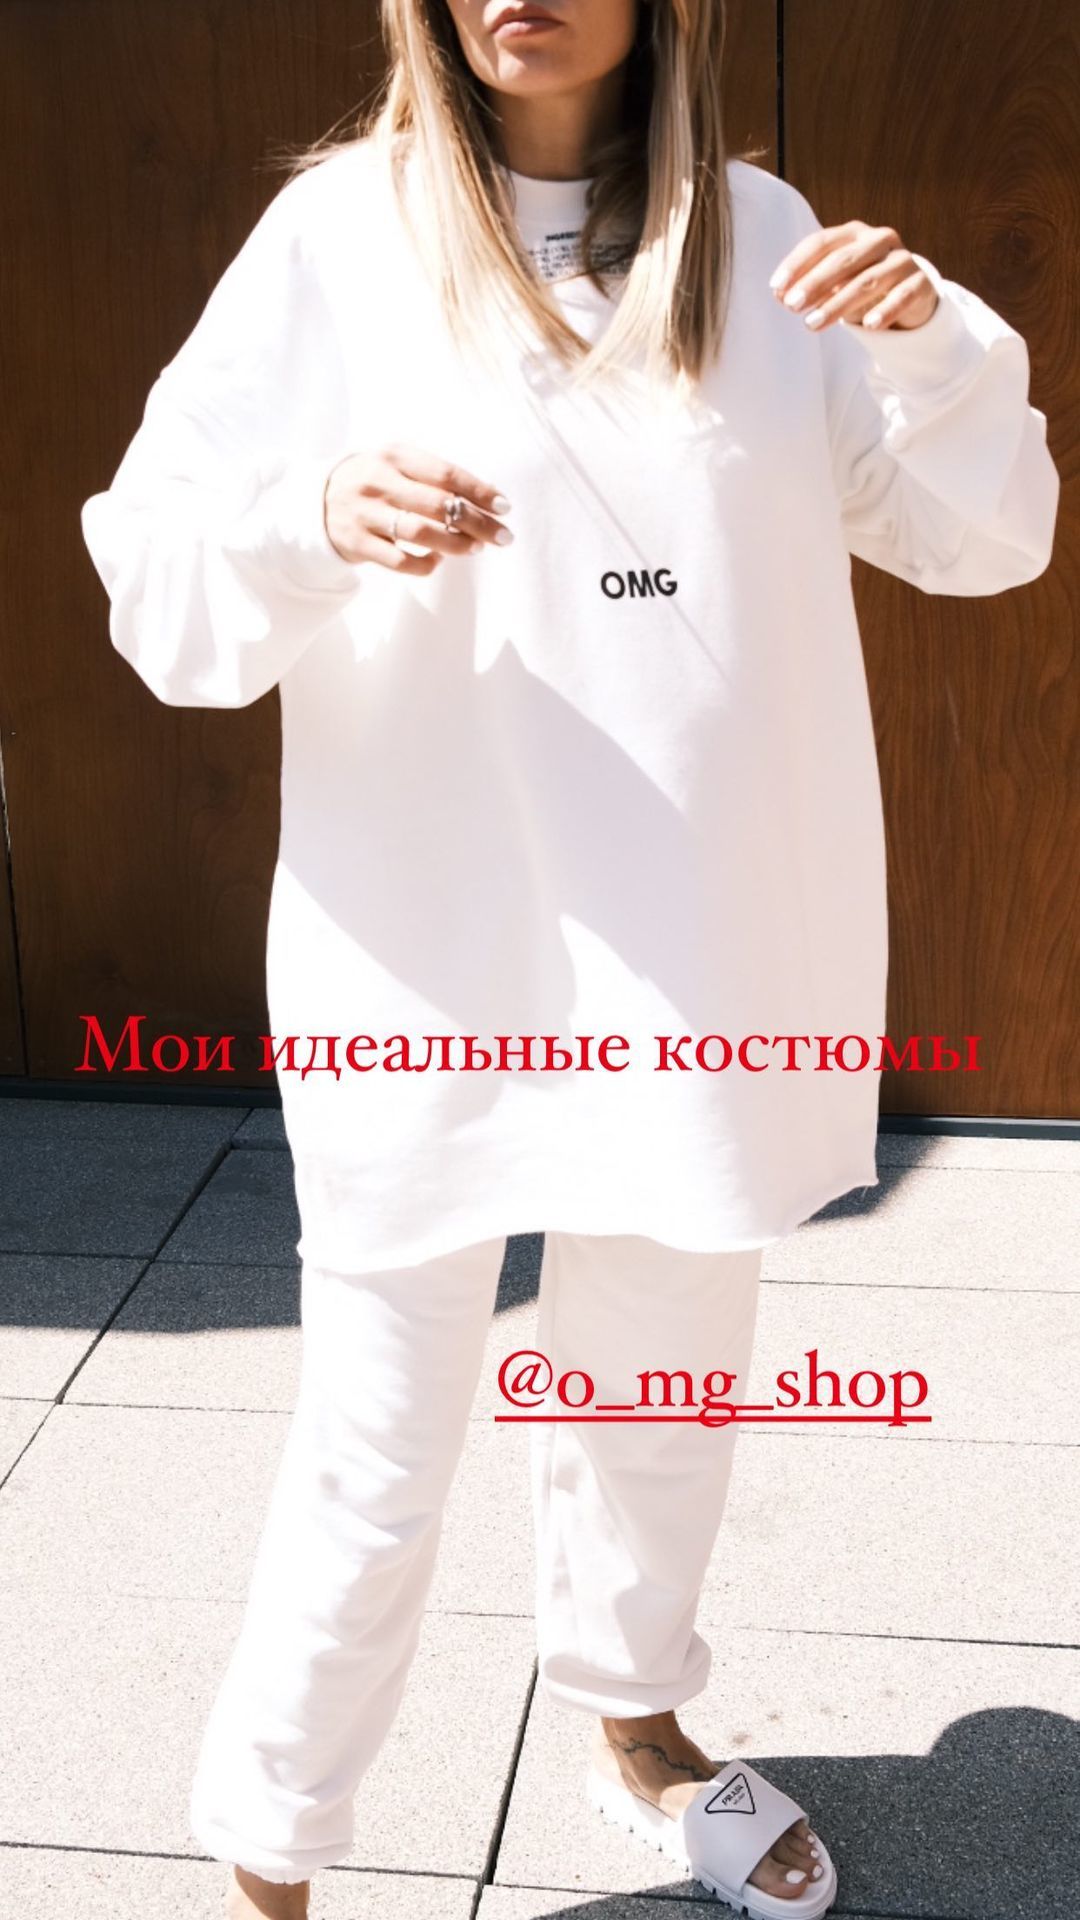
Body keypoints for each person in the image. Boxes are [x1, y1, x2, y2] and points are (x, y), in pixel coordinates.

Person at [79, 0, 1060, 1910]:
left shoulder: (763, 240)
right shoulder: (339, 239)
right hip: (427, 951)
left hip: (705, 945)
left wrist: (937, 349)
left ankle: (640, 1718)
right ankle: (273, 1856)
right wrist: (310, 519)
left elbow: (985, 540)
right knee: (376, 1437)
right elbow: (162, 585)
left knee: (662, 1384)